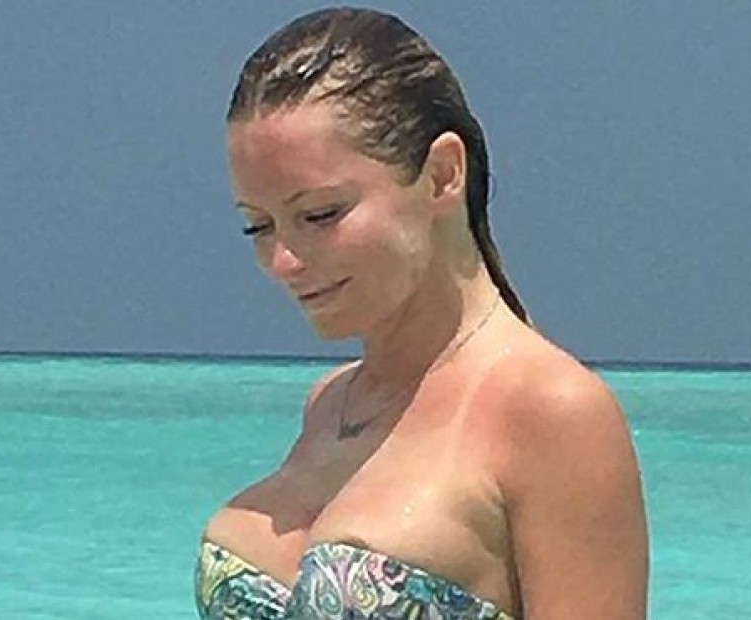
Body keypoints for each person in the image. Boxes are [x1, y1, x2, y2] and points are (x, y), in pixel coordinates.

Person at [195, 7, 648, 619]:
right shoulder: (331, 406)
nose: (282, 260)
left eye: (321, 215)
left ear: (441, 175)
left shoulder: (551, 412)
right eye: (258, 226)